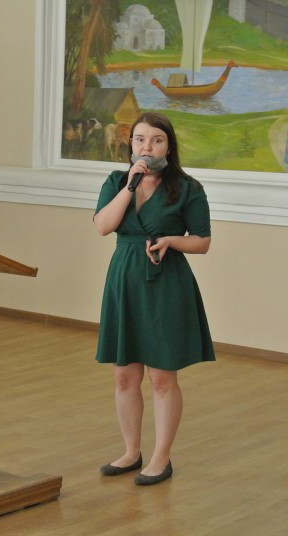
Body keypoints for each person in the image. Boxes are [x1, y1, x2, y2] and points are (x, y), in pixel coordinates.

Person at [92, 112, 215, 486]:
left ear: (168, 146)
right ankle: (131, 452)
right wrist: (130, 186)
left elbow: (203, 242)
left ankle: (162, 458)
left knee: (162, 377)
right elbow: (103, 226)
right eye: (140, 139)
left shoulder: (188, 188)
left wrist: (171, 240)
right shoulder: (117, 181)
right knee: (124, 375)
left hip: (166, 282)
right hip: (124, 280)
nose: (147, 146)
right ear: (130, 144)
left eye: (156, 140)